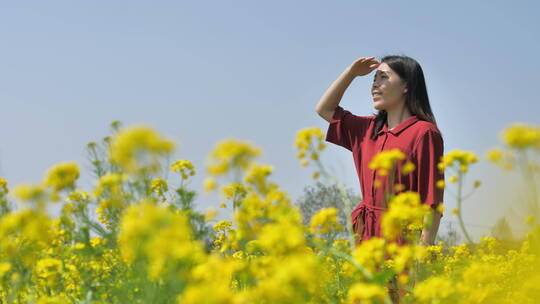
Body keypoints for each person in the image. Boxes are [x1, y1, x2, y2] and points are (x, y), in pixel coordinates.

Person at [315, 55, 445, 302]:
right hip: (366, 239)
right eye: (374, 79)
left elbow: (432, 201)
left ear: (407, 85)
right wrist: (351, 73)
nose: (375, 85)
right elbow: (324, 109)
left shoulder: (425, 133)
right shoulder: (366, 130)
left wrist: (422, 253)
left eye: (383, 77)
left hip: (403, 241)